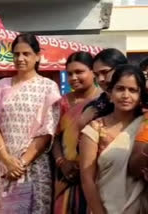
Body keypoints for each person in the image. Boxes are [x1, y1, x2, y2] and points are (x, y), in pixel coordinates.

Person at [0, 33, 61, 213]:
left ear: (37, 56)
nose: (20, 58)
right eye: (16, 54)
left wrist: (20, 164)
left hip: (34, 165)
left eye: (26, 54)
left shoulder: (48, 86)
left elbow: (47, 130)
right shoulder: (3, 85)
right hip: (6, 165)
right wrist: (7, 160)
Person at [79, 64, 147, 214]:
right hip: (106, 208)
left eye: (133, 90)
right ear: (110, 93)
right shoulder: (95, 129)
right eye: (120, 89)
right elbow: (87, 179)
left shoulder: (145, 126)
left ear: (141, 95)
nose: (126, 95)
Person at [52, 51, 101, 213]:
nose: (73, 78)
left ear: (93, 72)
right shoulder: (62, 102)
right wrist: (62, 162)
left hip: (96, 174)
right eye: (69, 73)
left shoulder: (104, 101)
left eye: (79, 72)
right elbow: (55, 138)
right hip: (66, 176)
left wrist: (85, 165)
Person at [80, 48, 128, 127]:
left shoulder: (141, 104)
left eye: (105, 72)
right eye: (96, 75)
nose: (100, 79)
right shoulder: (92, 109)